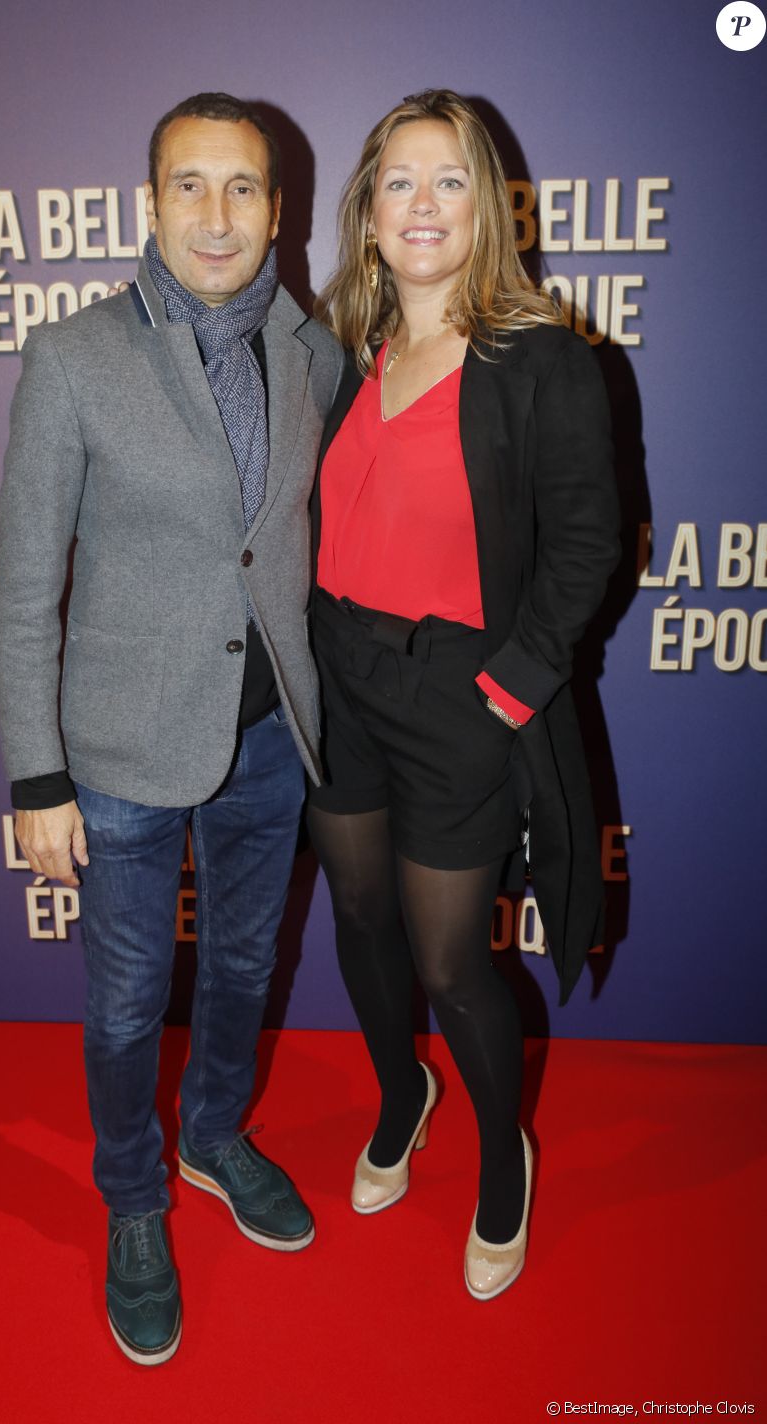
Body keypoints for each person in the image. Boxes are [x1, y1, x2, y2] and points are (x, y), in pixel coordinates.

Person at [0, 92, 342, 1366]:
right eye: (187, 186)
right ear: (148, 205)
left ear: (275, 208)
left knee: (245, 972)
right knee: (130, 996)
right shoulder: (75, 355)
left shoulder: (310, 355)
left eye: (241, 187)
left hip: (267, 742)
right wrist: (37, 774)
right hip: (122, 755)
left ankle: (212, 1134)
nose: (215, 213)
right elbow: (25, 585)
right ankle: (133, 1199)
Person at [307, 89, 620, 1300]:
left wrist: (507, 691)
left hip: (458, 690)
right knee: (358, 916)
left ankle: (505, 1157)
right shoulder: (343, 345)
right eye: (397, 180)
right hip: (340, 672)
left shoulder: (540, 353)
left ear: (484, 204)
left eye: (447, 179)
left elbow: (584, 544)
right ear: (368, 212)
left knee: (448, 962)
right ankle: (401, 1094)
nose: (421, 203)